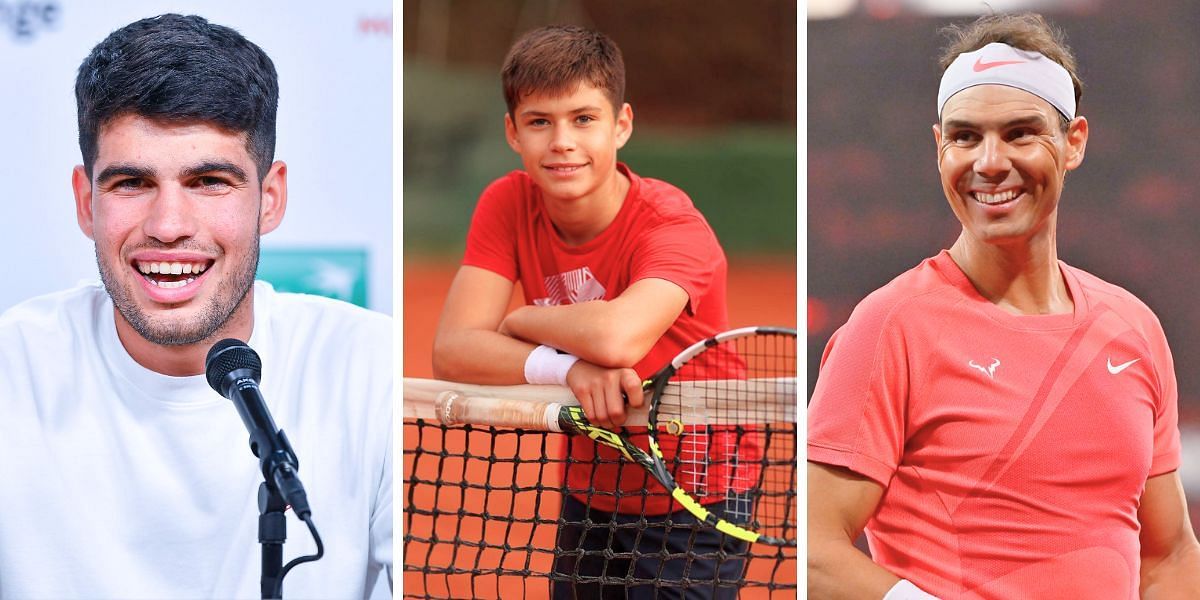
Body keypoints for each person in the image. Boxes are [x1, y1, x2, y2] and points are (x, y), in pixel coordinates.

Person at [807, 13, 1200, 599]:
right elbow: (816, 553)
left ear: (1074, 143)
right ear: (939, 148)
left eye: (1020, 133)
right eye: (965, 136)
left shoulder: (1134, 327)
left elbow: (1168, 555)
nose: (989, 161)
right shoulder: (890, 325)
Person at [0, 14, 391, 598]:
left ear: (270, 198)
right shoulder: (13, 366)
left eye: (209, 181)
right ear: (86, 201)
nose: (168, 227)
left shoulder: (370, 365)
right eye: (130, 182)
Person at [431, 24, 748, 599]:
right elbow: (453, 349)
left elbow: (617, 340)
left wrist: (521, 320)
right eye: (539, 122)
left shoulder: (672, 224)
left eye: (583, 118)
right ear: (512, 132)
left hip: (698, 490)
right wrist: (567, 369)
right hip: (594, 487)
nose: (562, 142)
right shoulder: (507, 203)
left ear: (621, 124)